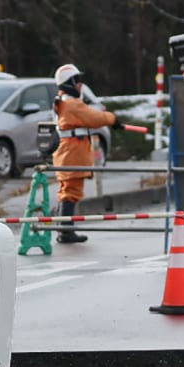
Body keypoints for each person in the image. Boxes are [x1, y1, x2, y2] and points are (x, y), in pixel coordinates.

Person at [51, 63, 116, 243]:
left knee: (66, 191)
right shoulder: (72, 105)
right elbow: (93, 117)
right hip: (72, 153)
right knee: (70, 192)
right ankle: (66, 231)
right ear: (68, 82)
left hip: (67, 153)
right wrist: (112, 119)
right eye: (77, 80)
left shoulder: (62, 102)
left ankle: (63, 228)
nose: (80, 85)